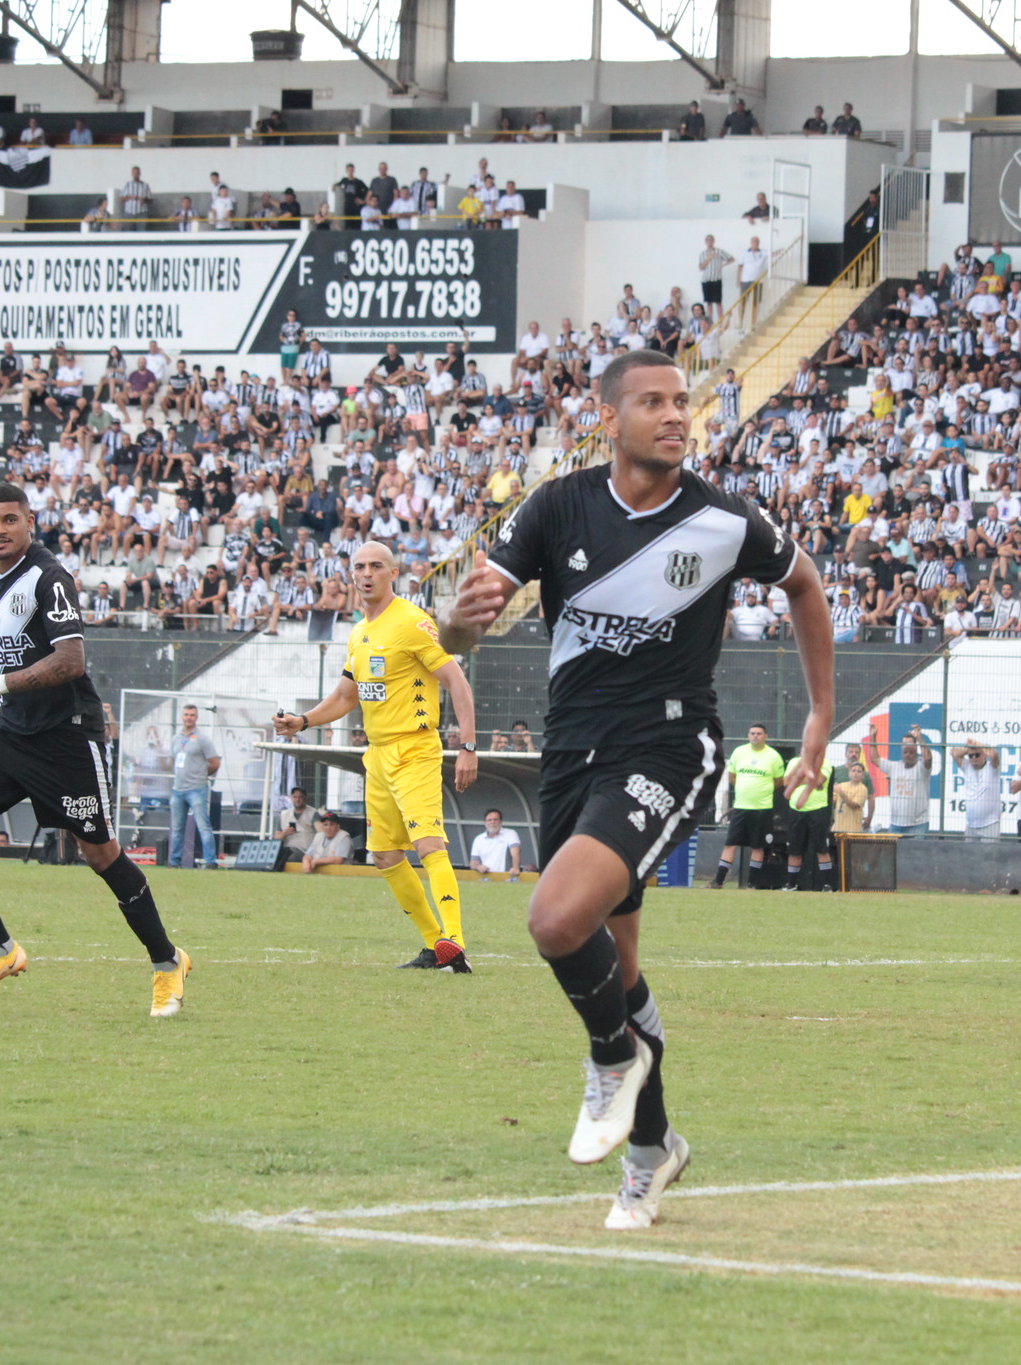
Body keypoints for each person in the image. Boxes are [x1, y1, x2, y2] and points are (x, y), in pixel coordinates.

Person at [443, 347, 833, 1229]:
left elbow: (805, 584)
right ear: (608, 418)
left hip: (668, 743)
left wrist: (818, 714)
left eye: (681, 400)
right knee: (615, 966)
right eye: (652, 401)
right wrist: (456, 626)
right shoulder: (556, 506)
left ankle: (612, 1059)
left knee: (554, 918)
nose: (675, 414)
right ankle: (653, 1151)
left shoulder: (724, 520)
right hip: (572, 753)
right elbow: (465, 630)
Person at [0, 485, 192, 1017]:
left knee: (100, 856)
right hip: (10, 727)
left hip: (66, 735)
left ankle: (168, 962)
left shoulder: (50, 578)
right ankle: (1, 950)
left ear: (30, 521)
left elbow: (70, 661)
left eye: (9, 520)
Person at [275, 542, 478, 970]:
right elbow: (346, 696)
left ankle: (455, 938)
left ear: (393, 573)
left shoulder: (412, 622)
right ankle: (435, 946)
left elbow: (457, 682)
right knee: (385, 856)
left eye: (376, 566)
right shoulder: (358, 632)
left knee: (428, 843)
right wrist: (303, 721)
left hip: (415, 749)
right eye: (360, 567)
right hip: (379, 755)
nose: (366, 573)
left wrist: (468, 746)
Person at [712, 724, 782, 888]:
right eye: (752, 733)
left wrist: (763, 790)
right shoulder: (739, 752)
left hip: (762, 808)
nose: (755, 736)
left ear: (766, 736)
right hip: (741, 807)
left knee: (758, 846)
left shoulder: (774, 756)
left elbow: (779, 781)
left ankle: (751, 884)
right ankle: (718, 881)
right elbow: (732, 777)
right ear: (748, 735)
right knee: (730, 844)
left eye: (759, 733)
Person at [167, 703, 221, 869]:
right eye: (186, 714)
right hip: (178, 789)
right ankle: (174, 862)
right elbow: (174, 760)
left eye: (192, 715)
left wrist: (202, 774)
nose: (188, 718)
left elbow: (215, 762)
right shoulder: (175, 738)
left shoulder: (202, 739)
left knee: (203, 826)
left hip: (197, 788)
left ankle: (210, 861)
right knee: (177, 828)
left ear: (196, 717)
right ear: (182, 717)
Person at [782, 755, 834, 891]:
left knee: (821, 848)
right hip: (796, 810)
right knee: (794, 849)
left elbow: (819, 780)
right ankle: (791, 884)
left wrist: (798, 780)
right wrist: (809, 780)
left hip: (818, 810)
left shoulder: (825, 762)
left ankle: (826, 885)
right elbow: (786, 782)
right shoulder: (794, 761)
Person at [878, 728, 932, 835]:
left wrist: (920, 738)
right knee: (891, 846)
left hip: (918, 823)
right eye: (904, 746)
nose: (907, 750)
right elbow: (875, 759)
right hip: (896, 823)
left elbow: (928, 758)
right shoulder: (894, 766)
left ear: (916, 748)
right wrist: (872, 738)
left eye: (910, 746)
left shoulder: (921, 767)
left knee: (917, 847)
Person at [951, 742, 1003, 839]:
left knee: (990, 849)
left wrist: (977, 744)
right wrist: (969, 749)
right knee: (969, 849)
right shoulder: (967, 766)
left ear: (984, 755)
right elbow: (953, 753)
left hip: (990, 823)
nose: (974, 758)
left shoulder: (992, 768)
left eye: (977, 755)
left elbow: (994, 755)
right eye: (971, 756)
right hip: (971, 824)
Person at [469, 808, 522, 882]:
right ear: (485, 822)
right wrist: (478, 867)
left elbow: (515, 853)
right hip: (486, 879)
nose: (492, 822)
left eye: (495, 819)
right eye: (489, 820)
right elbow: (473, 863)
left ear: (501, 821)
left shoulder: (510, 834)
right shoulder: (478, 839)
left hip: (507, 878)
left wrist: (515, 868)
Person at [833, 749, 872, 834]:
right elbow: (833, 800)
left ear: (863, 775)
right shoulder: (842, 785)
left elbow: (854, 805)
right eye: (853, 770)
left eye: (859, 771)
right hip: (837, 828)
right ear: (849, 773)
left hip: (852, 829)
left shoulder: (862, 789)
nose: (855, 773)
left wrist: (841, 793)